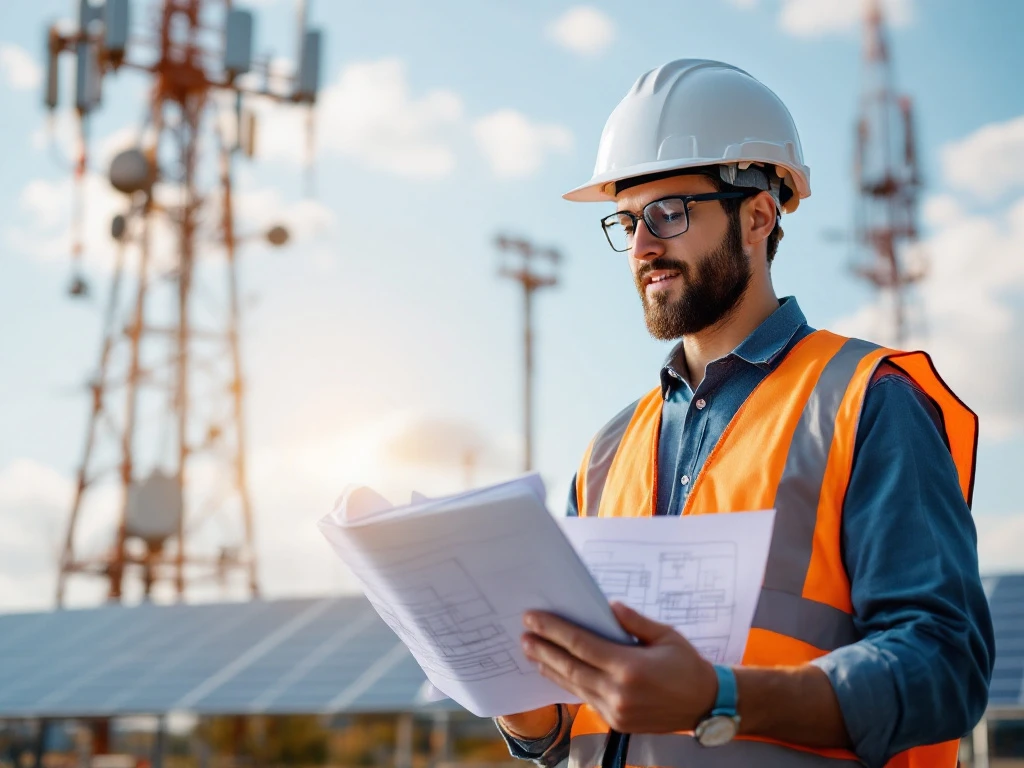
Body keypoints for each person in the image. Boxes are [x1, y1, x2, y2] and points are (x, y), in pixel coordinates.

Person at [493, 59, 994, 768]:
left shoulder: (868, 401)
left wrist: (719, 699)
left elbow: (945, 668)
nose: (641, 246)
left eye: (668, 212)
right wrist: (514, 695)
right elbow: (575, 728)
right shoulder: (608, 451)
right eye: (628, 220)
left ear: (758, 215)